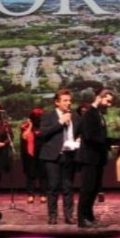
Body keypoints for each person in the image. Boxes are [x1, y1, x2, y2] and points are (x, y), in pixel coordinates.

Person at [39, 90, 81, 225]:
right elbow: (43, 133)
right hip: (53, 156)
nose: (68, 103)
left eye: (69, 100)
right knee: (53, 187)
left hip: (69, 155)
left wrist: (79, 139)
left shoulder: (74, 115)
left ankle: (69, 215)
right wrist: (60, 122)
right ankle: (52, 216)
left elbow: (80, 131)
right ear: (57, 102)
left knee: (68, 187)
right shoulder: (48, 116)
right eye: (65, 100)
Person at [76, 88, 115, 228]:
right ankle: (82, 219)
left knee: (93, 189)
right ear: (99, 97)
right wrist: (109, 142)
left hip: (97, 158)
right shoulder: (90, 114)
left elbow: (99, 136)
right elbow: (89, 136)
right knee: (87, 189)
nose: (109, 104)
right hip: (89, 158)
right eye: (108, 101)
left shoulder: (98, 114)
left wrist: (114, 142)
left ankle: (89, 216)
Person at [20, 107, 47, 204]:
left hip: (43, 153)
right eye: (36, 117)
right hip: (30, 154)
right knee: (30, 175)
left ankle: (43, 194)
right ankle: (30, 195)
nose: (38, 119)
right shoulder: (25, 126)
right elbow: (25, 136)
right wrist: (30, 126)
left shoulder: (45, 126)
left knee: (43, 175)